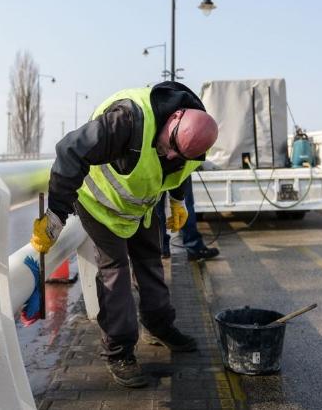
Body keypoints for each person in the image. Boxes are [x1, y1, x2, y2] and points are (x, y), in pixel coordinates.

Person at [30, 81, 219, 388]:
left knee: (151, 260)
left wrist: (177, 201)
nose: (170, 157)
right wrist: (55, 217)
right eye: (170, 148)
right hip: (99, 204)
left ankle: (158, 325)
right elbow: (69, 151)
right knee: (114, 271)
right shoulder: (127, 120)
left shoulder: (193, 141)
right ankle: (119, 351)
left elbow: (180, 171)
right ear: (172, 120)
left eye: (178, 154)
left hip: (139, 206)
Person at [155, 177, 220, 260]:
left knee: (156, 207)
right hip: (179, 169)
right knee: (184, 203)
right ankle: (193, 246)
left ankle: (161, 248)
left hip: (155, 170)